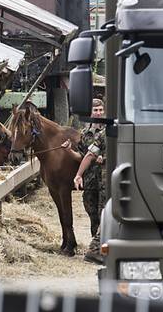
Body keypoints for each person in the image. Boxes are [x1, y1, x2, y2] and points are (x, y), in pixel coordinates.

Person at [70, 98, 106, 264]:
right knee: (92, 214)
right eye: (95, 111)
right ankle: (96, 245)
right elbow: (84, 156)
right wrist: (68, 151)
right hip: (91, 181)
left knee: (103, 214)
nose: (98, 113)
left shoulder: (109, 130)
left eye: (100, 110)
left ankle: (100, 248)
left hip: (105, 181)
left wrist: (104, 158)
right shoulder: (85, 134)